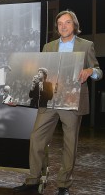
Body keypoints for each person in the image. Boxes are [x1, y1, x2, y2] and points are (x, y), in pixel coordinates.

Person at [14, 11, 103, 195]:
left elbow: (99, 72)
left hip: (71, 101)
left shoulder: (86, 46)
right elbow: (39, 72)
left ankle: (63, 186)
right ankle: (33, 180)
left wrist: (90, 71)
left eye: (67, 22)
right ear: (57, 27)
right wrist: (18, 95)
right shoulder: (48, 46)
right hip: (49, 99)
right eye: (60, 23)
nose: (63, 26)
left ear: (74, 25)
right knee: (36, 138)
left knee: (70, 144)